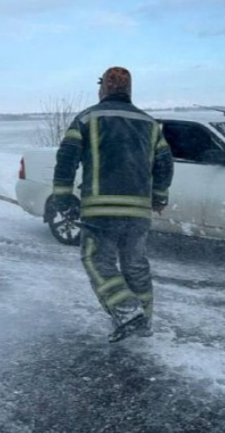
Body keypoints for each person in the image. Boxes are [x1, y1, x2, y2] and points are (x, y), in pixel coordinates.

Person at [51, 66, 174, 343]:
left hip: (100, 209)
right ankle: (145, 323)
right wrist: (159, 197)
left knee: (97, 260)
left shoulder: (86, 119)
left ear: (103, 89)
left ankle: (128, 313)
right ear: (129, 90)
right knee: (136, 265)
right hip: (139, 211)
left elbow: (66, 160)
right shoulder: (150, 123)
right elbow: (165, 163)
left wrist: (62, 198)